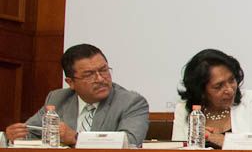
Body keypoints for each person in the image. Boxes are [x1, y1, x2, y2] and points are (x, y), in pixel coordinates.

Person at [4, 43, 149, 146]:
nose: (100, 79)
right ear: (71, 82)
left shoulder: (131, 102)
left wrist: (75, 138)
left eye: (103, 70)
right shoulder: (57, 99)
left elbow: (130, 143)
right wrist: (15, 135)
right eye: (89, 74)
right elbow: (32, 132)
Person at [171, 49, 252, 147]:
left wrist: (224, 141)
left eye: (231, 80)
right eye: (218, 86)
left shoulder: (251, 100)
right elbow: (177, 150)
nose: (229, 90)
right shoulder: (183, 109)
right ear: (201, 91)